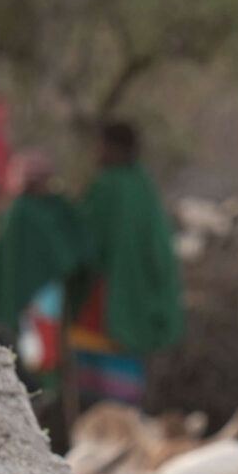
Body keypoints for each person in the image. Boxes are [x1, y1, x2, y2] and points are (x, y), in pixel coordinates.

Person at [68, 121, 184, 409]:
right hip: (137, 304)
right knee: (127, 389)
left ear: (114, 148)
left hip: (102, 302)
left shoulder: (106, 187)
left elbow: (85, 245)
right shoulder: (145, 187)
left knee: (93, 393)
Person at [0, 150, 89, 397]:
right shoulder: (27, 214)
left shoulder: (31, 210)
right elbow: (65, 256)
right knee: (37, 355)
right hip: (38, 300)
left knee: (36, 352)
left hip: (36, 299)